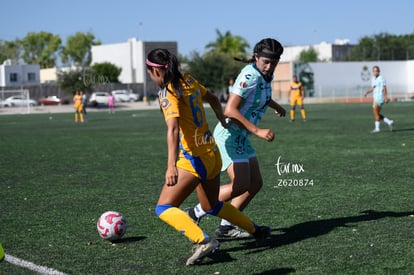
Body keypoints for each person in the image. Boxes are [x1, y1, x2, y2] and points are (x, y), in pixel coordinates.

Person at [146, 48, 270, 265]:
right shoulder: (189, 81)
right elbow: (212, 98)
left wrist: (171, 167)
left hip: (194, 158)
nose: (150, 76)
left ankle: (202, 240)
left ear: (156, 70)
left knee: (163, 208)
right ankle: (256, 230)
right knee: (212, 205)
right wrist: (221, 119)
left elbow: (173, 130)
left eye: (150, 72)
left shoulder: (168, 93)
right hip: (213, 153)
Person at [186, 38, 286, 238]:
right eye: (266, 62)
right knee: (240, 185)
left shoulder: (265, 75)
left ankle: (226, 226)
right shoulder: (250, 75)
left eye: (273, 62)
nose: (269, 66)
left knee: (255, 184)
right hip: (229, 136)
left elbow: (260, 96)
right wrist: (257, 131)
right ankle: (194, 212)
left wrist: (276, 106)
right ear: (256, 57)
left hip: (241, 137)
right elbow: (229, 110)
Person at [364, 66, 394, 133]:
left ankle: (377, 129)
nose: (375, 72)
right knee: (376, 113)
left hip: (380, 98)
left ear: (379, 71)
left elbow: (384, 88)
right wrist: (367, 92)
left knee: (375, 113)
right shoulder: (373, 79)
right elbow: (373, 88)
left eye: (376, 71)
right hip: (375, 97)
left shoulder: (381, 78)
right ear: (372, 72)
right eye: (374, 71)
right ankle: (389, 122)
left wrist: (385, 97)